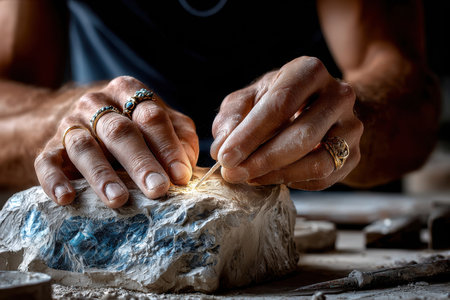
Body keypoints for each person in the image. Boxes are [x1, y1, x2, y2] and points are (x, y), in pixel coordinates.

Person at [0, 0, 440, 208]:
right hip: (119, 204)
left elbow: (409, 90)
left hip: (330, 208)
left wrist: (352, 119)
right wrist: (60, 121)